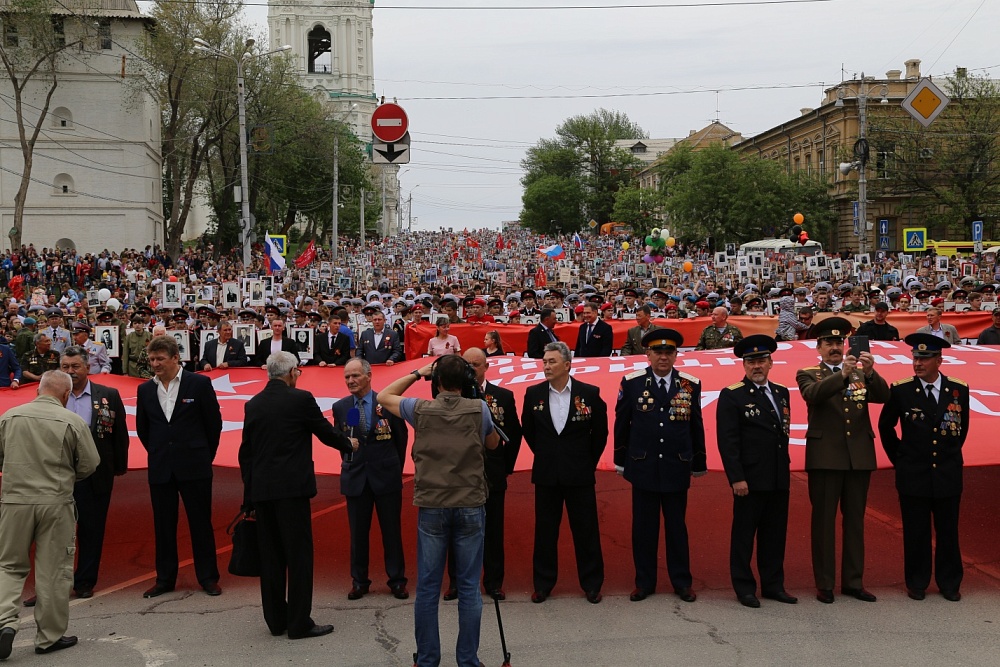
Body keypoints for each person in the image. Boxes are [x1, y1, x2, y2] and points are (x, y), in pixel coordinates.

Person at [378, 355, 499, 667]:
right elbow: (494, 444)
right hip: (470, 503)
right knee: (470, 587)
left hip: (433, 504)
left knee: (429, 587)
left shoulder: (420, 409)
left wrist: (418, 372)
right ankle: (467, 659)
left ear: (437, 382)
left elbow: (383, 395)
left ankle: (429, 658)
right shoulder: (479, 408)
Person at [239, 351, 357, 639]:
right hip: (292, 491)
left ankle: (276, 620)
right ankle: (299, 622)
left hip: (263, 493)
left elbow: (247, 455)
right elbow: (325, 433)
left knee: (271, 558)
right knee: (299, 557)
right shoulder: (301, 399)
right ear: (292, 372)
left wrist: (249, 498)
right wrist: (349, 444)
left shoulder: (253, 404)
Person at [0, 371, 100, 658]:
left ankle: (4, 623)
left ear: (38, 390)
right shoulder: (73, 421)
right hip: (55, 502)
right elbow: (90, 464)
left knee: (8, 565)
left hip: (15, 502)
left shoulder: (10, 417)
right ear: (66, 395)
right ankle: (49, 637)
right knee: (53, 571)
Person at [796, 316, 890, 604]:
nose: (835, 347)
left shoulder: (861, 373)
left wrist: (871, 372)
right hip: (826, 457)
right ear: (819, 347)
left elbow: (884, 396)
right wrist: (843, 374)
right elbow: (813, 395)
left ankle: (853, 581)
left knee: (855, 523)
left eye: (839, 342)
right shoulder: (809, 372)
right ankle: (825, 583)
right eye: (829, 343)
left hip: (858, 457)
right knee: (823, 523)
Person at [614, 328, 706, 603]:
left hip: (677, 465)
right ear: (648, 354)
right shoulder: (632, 382)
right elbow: (622, 423)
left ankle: (682, 582)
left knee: (677, 528)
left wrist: (698, 460)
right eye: (658, 352)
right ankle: (644, 582)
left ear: (676, 355)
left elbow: (695, 424)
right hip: (643, 465)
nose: (663, 357)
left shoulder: (690, 384)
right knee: (644, 529)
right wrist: (621, 459)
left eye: (669, 352)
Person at [878, 333, 969, 602]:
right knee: (915, 532)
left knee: (948, 531)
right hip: (913, 473)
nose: (918, 363)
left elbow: (960, 430)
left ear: (939, 360)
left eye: (924, 358)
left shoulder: (958, 389)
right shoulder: (902, 390)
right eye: (915, 358)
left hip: (947, 472)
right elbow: (886, 427)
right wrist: (900, 458)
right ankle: (917, 582)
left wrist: (948, 456)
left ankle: (949, 583)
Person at [135, 335, 224, 598]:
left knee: (201, 524)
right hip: (161, 466)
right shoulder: (145, 390)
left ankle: (208, 577)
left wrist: (204, 456)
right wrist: (159, 452)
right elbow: (144, 429)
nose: (155, 364)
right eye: (151, 359)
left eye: (160, 359)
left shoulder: (199, 384)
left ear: (176, 358)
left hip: (195, 465)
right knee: (163, 526)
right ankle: (165, 579)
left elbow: (213, 425)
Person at [521, 341, 607, 604]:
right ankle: (543, 584)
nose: (546, 366)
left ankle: (592, 584)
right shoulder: (533, 393)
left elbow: (600, 434)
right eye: (544, 362)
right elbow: (529, 431)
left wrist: (585, 461)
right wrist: (548, 456)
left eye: (552, 362)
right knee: (545, 532)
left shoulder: (589, 393)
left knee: (586, 531)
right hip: (547, 473)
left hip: (579, 473)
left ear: (567, 365)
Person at [717, 335, 797, 608]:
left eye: (761, 360)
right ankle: (744, 587)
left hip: (777, 476)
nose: (756, 366)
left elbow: (781, 434)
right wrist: (737, 477)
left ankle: (774, 585)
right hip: (749, 480)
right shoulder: (732, 395)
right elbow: (728, 441)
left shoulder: (781, 392)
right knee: (743, 536)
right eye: (751, 362)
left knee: (774, 536)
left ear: (771, 362)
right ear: (744, 365)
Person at [442, 348, 523, 600]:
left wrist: (504, 466)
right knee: (457, 531)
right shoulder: (450, 396)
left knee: (493, 531)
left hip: (492, 474)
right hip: (459, 477)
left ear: (486, 367)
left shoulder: (502, 396)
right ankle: (456, 582)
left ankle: (493, 582)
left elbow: (514, 435)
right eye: (467, 365)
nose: (471, 369)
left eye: (476, 365)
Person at [332, 359, 409, 601]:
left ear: (368, 376)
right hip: (356, 477)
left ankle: (397, 580)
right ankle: (359, 581)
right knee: (357, 534)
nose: (350, 381)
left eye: (355, 376)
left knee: (391, 532)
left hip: (385, 476)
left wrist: (394, 468)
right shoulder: (341, 407)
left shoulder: (386, 402)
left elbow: (401, 439)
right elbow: (340, 440)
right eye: (347, 377)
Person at [59, 347, 129, 600]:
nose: (70, 372)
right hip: (58, 475)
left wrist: (119, 466)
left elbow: (119, 434)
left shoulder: (108, 394)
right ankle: (53, 585)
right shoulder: (52, 395)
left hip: (95, 474)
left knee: (91, 529)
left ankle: (85, 581)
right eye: (65, 367)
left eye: (75, 366)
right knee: (54, 533)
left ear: (88, 367)